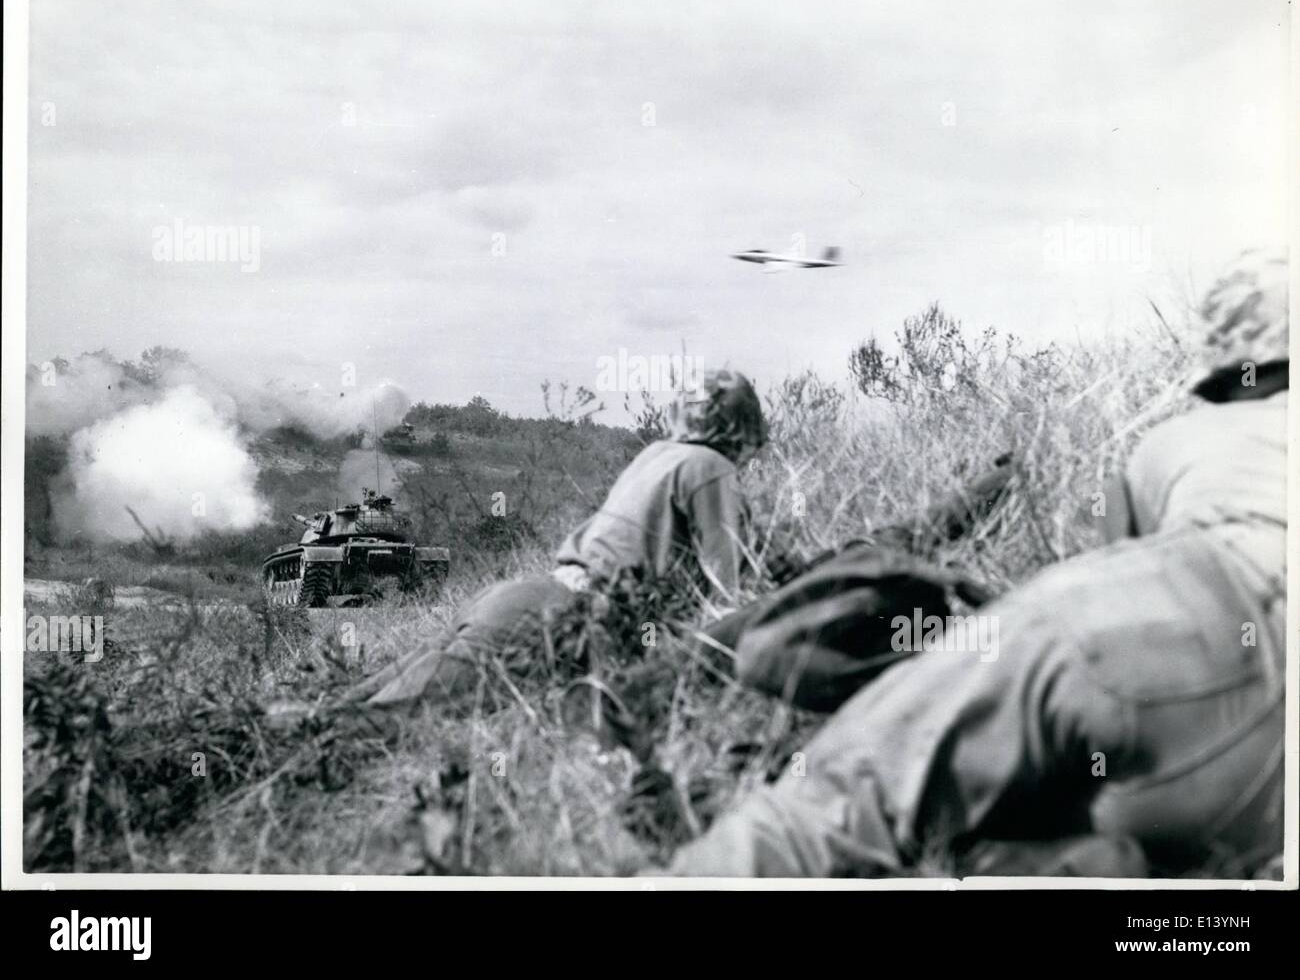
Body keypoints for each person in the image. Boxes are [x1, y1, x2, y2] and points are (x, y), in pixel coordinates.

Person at [661, 250, 1288, 878]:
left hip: (1197, 611)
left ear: (1234, 377)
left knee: (850, 797)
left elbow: (1126, 566)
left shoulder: (1177, 441)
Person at [343, 369, 768, 710]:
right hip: (561, 617)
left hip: (522, 597)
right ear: (741, 426)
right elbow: (724, 595)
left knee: (352, 704)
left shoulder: (656, 455)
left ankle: (288, 732)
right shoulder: (712, 467)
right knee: (385, 722)